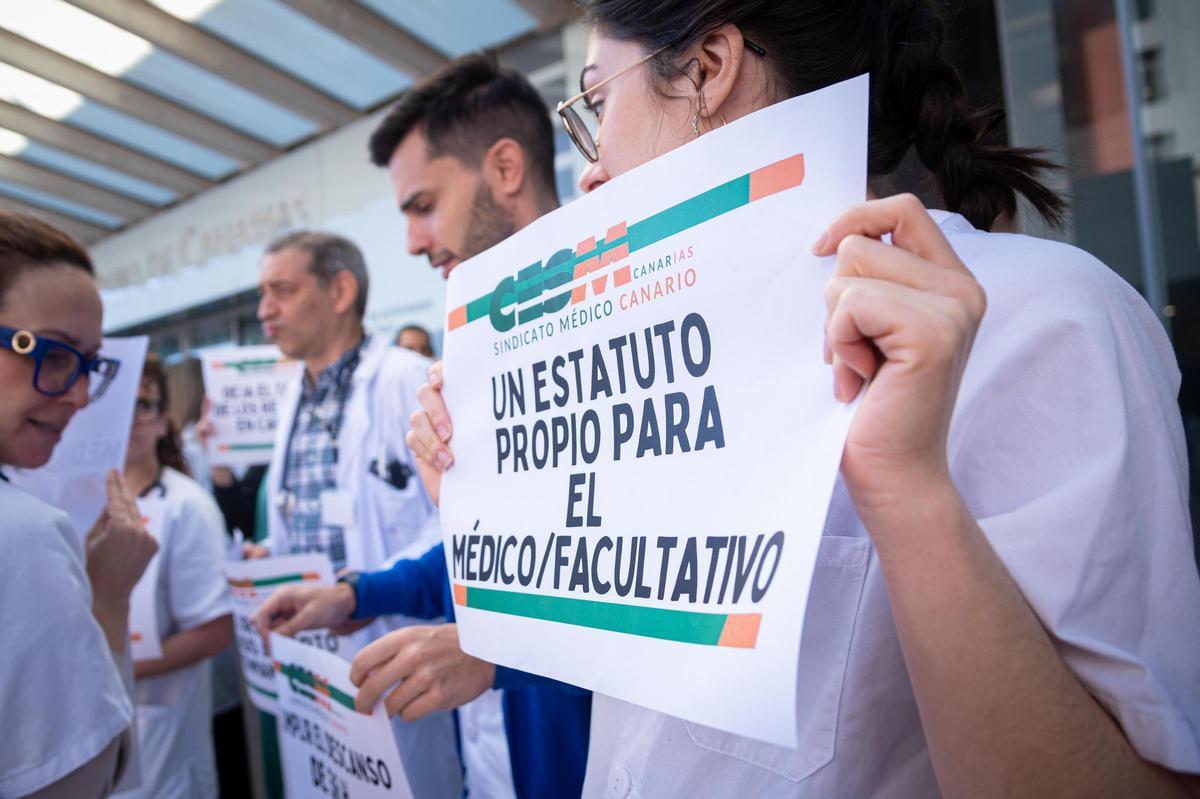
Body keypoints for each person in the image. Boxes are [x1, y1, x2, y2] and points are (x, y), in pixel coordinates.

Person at [404, 2, 1200, 796]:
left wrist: (907, 489)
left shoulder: (1043, 315)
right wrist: (492, 507)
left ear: (708, 71)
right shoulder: (684, 347)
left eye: (597, 105)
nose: (588, 168)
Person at [252, 54, 591, 799]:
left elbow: (665, 581)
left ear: (504, 167)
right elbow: (493, 558)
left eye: (423, 203)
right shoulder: (485, 346)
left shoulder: (616, 316)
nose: (409, 241)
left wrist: (499, 655)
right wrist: (358, 594)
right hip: (509, 758)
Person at [250, 229, 459, 799]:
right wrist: (272, 555)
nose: (264, 310)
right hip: (316, 648)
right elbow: (306, 507)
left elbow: (451, 520)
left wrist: (363, 590)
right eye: (263, 293)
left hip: (392, 637)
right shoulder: (295, 393)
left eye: (282, 291)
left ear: (340, 291)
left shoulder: (405, 379)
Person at [0, 211, 158, 797]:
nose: (81, 395)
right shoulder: (25, 535)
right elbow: (78, 781)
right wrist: (110, 598)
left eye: (90, 364)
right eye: (53, 354)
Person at [113, 354, 233, 799]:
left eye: (143, 405)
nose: (128, 420)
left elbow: (214, 631)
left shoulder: (187, 506)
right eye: (117, 403)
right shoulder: (75, 501)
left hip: (164, 743)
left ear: (164, 419)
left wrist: (112, 668)